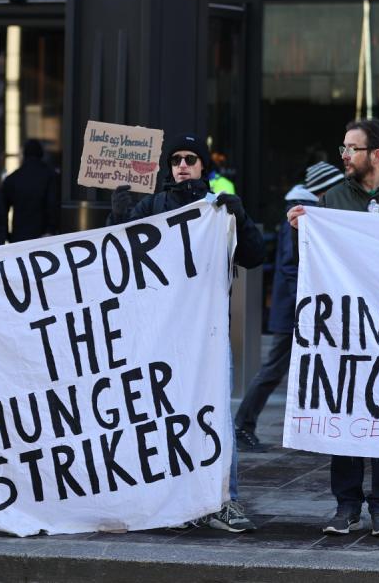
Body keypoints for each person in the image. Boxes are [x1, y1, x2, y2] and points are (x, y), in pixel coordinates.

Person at [287, 118, 379, 538]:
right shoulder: (333, 198)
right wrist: (302, 231)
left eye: (352, 148)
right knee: (345, 415)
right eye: (343, 148)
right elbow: (314, 262)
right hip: (345, 329)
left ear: (377, 155)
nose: (344, 156)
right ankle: (347, 505)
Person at [109, 133, 264, 532]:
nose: (181, 165)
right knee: (164, 417)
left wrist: (240, 218)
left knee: (214, 416)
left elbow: (254, 256)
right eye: (176, 158)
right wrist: (119, 215)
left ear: (202, 167)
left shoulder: (219, 207)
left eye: (190, 159)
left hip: (208, 336)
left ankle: (221, 500)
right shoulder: (152, 206)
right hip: (160, 332)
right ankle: (173, 501)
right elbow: (113, 255)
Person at [233, 161, 343, 452]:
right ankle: (242, 425)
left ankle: (314, 430)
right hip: (297, 308)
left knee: (307, 367)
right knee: (274, 370)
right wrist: (309, 298)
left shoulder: (311, 211)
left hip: (302, 306)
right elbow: (290, 264)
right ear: (322, 190)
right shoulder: (301, 213)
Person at [3, 139, 59, 242]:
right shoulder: (50, 176)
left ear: (24, 155)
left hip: (19, 235)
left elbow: (3, 210)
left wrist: (7, 235)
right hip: (43, 235)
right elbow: (52, 205)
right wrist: (50, 230)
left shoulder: (12, 178)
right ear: (41, 154)